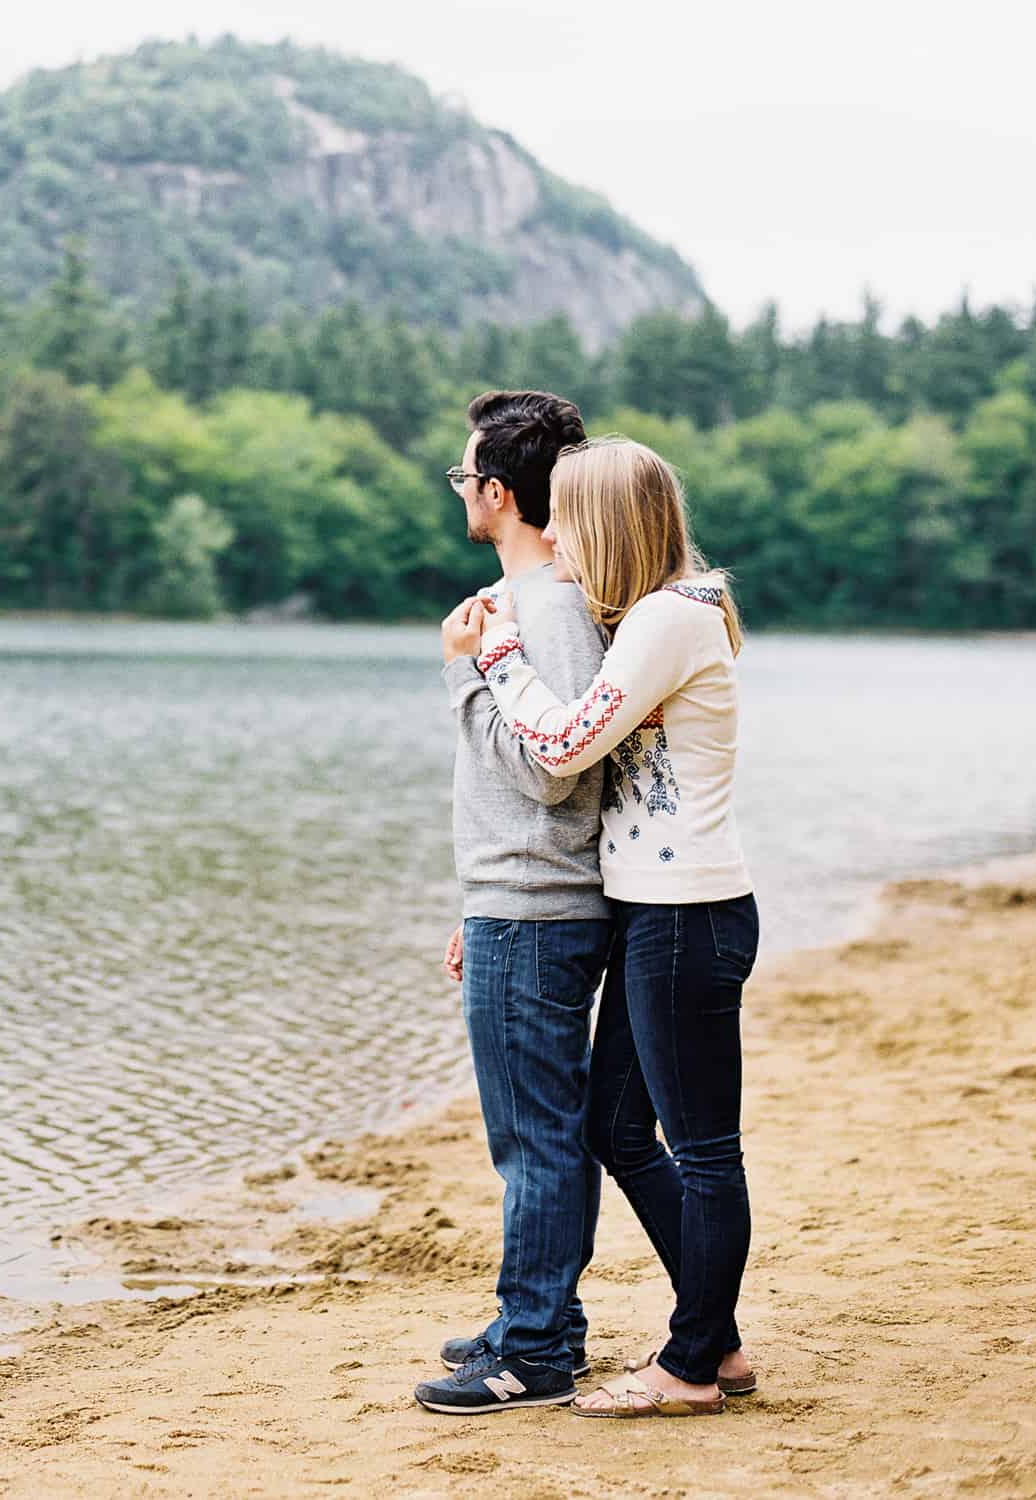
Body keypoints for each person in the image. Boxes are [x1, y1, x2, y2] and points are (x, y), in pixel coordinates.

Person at [445, 435, 759, 1419]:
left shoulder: (669, 617)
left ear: (607, 523)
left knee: (701, 1147)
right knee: (617, 1128)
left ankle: (692, 1362)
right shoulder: (643, 618)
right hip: (648, 912)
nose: (554, 533)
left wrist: (487, 657)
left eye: (569, 516)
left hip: (686, 916)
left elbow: (561, 747)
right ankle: (717, 1337)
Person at [411, 391, 611, 1416]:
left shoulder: (546, 613)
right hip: (517, 903)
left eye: (463, 477)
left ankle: (533, 1351)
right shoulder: (530, 606)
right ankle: (539, 1322)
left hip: (534, 914)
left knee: (532, 1141)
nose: (461, 492)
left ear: (496, 493)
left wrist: (459, 678)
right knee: (540, 1135)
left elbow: (548, 774)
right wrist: (476, 904)